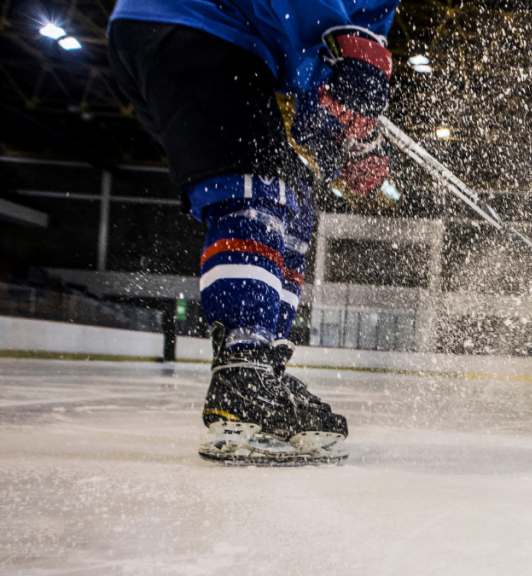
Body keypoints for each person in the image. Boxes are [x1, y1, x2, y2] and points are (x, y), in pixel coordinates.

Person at [106, 0, 400, 464]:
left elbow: (315, 106)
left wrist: (346, 143)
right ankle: (241, 370)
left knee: (295, 205)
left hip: (234, 44)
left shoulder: (379, 9)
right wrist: (348, 62)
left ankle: (260, 366)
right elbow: (312, 25)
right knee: (255, 192)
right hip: (188, 21)